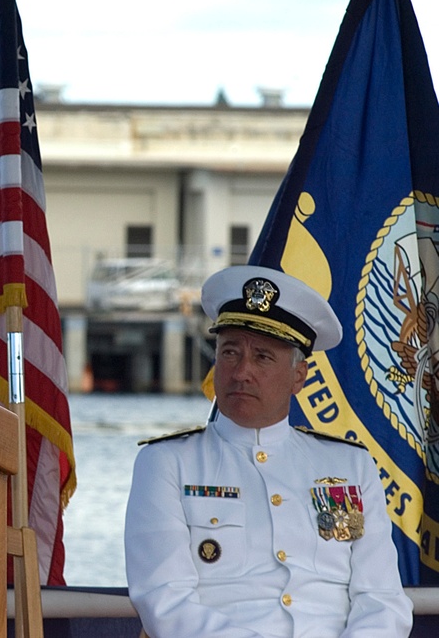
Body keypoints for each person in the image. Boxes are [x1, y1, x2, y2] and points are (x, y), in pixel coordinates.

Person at [124, 265, 413, 637]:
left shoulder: (350, 466)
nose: (241, 371)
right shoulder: (166, 464)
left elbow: (381, 599)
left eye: (262, 357)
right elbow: (165, 602)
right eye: (230, 352)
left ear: (299, 377)